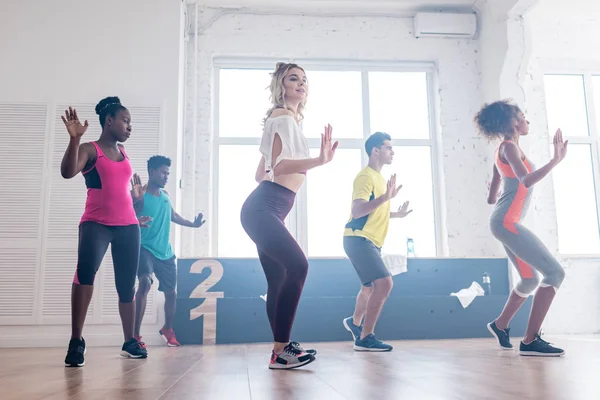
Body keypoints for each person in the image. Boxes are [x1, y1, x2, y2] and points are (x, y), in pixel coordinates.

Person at [240, 62, 338, 369]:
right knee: (298, 266)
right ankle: (281, 351)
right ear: (281, 86)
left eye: (304, 79)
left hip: (266, 208)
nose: (301, 83)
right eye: (293, 78)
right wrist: (319, 161)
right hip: (264, 208)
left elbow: (261, 172)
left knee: (278, 279)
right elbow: (278, 168)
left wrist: (298, 166)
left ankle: (280, 348)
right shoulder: (282, 116)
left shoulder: (286, 121)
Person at [475, 99, 567, 357]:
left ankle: (500, 324)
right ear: (513, 122)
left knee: (530, 279)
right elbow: (525, 180)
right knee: (555, 273)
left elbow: (492, 198)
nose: (527, 121)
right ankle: (530, 340)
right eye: (524, 116)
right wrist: (555, 161)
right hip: (506, 222)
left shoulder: (502, 150)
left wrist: (507, 188)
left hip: (502, 220)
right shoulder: (510, 149)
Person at [60, 96, 148, 367]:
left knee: (126, 285)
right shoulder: (90, 149)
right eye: (125, 120)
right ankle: (76, 342)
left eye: (130, 122)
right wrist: (74, 139)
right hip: (96, 224)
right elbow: (67, 172)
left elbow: (118, 192)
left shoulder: (125, 154)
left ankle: (129, 341)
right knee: (85, 275)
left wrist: (135, 203)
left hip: (128, 226)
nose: (129, 127)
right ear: (109, 121)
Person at [342, 132, 412, 351]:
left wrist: (394, 214)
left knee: (369, 287)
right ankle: (365, 337)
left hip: (367, 240)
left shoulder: (380, 178)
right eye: (388, 147)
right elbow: (357, 209)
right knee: (385, 283)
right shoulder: (366, 177)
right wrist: (385, 198)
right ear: (375, 150)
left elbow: (374, 211)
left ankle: (354, 324)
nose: (392, 152)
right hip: (359, 239)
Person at [131, 155, 205, 348]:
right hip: (144, 248)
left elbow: (172, 215)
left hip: (165, 252)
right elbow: (127, 216)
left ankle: (167, 329)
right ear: (152, 172)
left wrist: (193, 224)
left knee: (171, 293)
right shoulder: (139, 195)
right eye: (163, 172)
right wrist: (134, 206)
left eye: (168, 173)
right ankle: (135, 335)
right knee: (145, 282)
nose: (166, 177)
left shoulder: (165, 197)